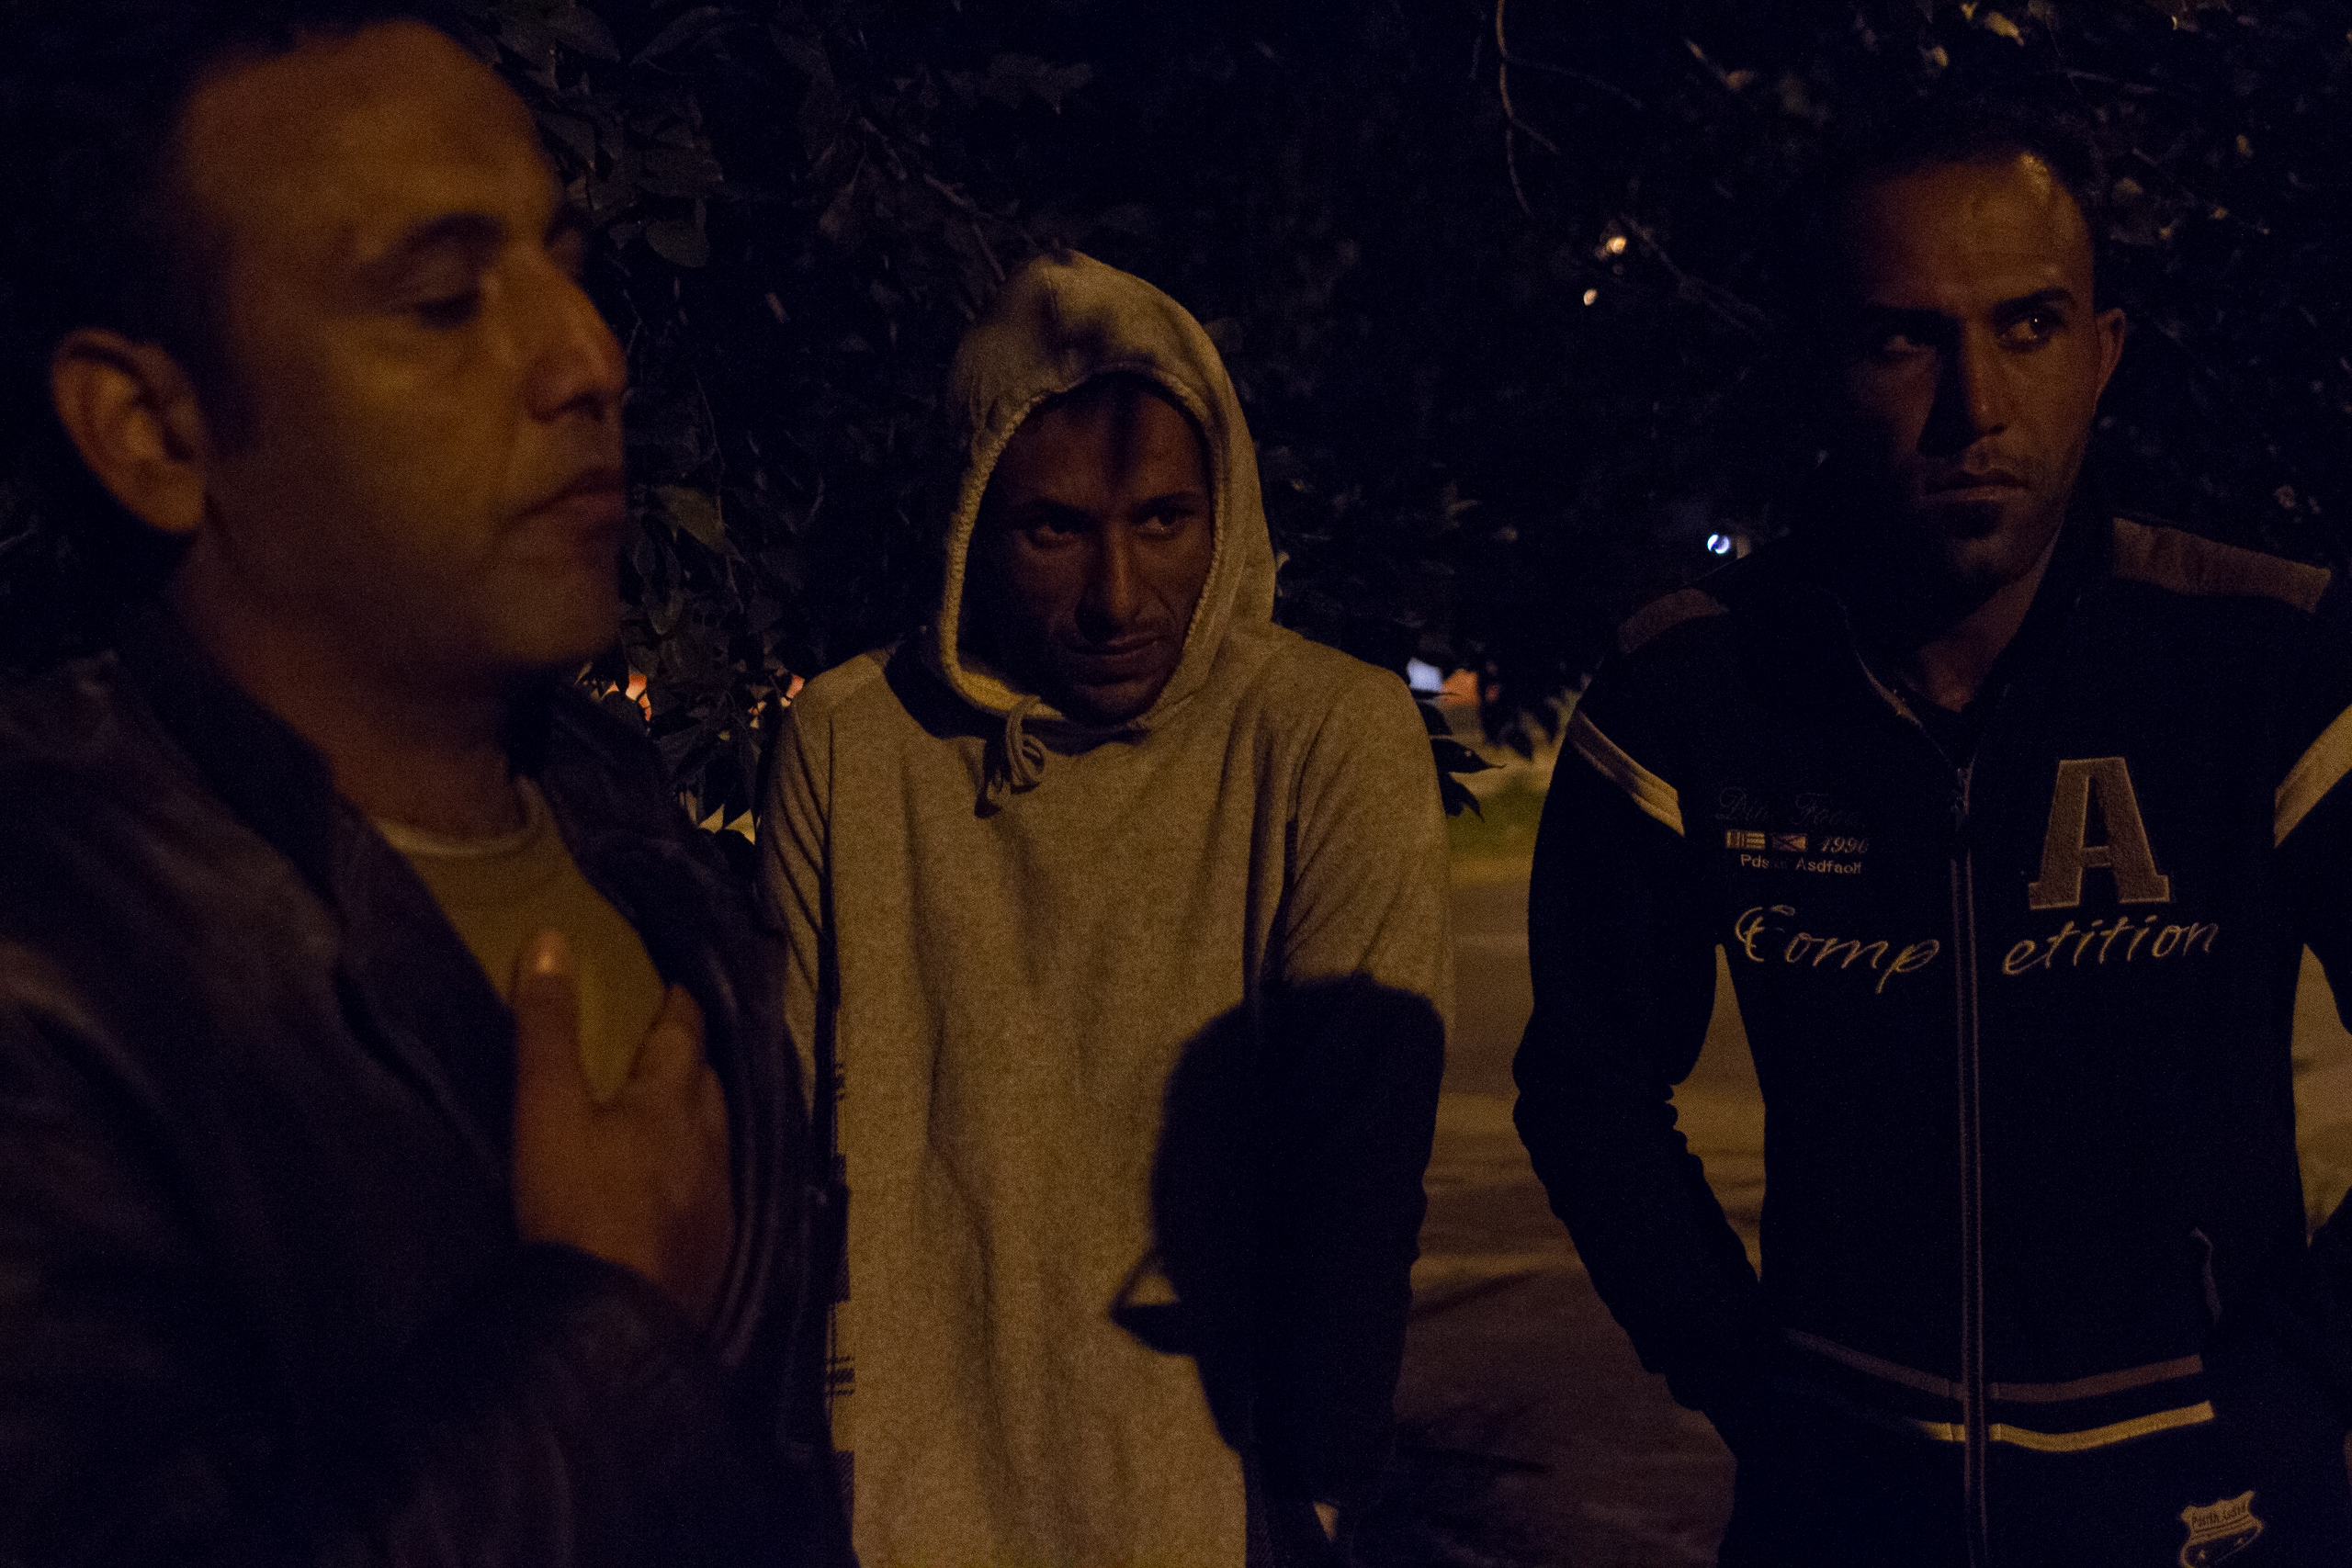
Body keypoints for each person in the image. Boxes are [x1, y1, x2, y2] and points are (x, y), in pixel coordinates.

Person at [0, 6, 843, 1562]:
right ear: (150, 430)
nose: (589, 361)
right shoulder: (53, 952)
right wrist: (598, 1336)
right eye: (445, 303)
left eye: (568, 266)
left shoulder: (623, 822)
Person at [1514, 95, 2352, 1566]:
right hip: (1841, 1512)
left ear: (2103, 351)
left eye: (2028, 327)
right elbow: (1588, 1085)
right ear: (1818, 365)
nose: (1977, 406)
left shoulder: (2265, 663)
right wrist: (1741, 1377)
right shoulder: (1693, 690)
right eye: (1903, 339)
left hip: (2213, 1517)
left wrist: (2294, 1384)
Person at [760, 250, 1452, 1566]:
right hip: (910, 1496)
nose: (1117, 596)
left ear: (1227, 509)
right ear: (972, 522)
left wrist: (1316, 1484)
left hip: (1215, 1497)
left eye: (1164, 520)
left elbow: (1356, 1173)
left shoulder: (1326, 737)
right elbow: (791, 1153)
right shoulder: (850, 745)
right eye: (1056, 530)